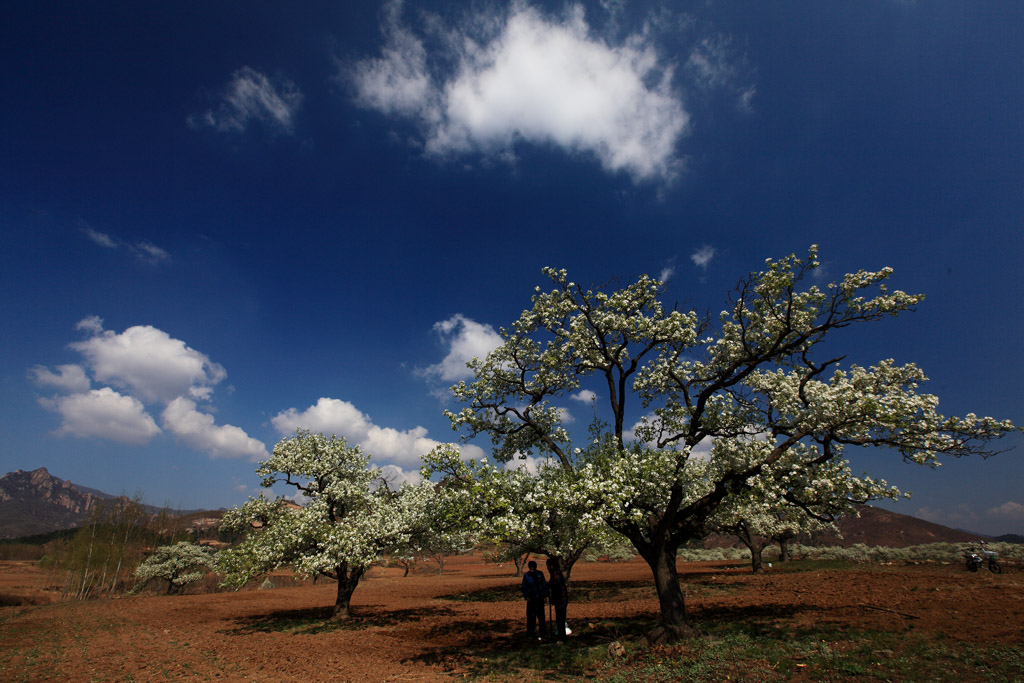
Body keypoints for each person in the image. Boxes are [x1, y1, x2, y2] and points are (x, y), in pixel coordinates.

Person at [521, 559, 548, 639]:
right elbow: (524, 587)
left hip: (539, 598)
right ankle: (530, 633)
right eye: (531, 567)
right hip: (531, 599)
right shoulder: (527, 575)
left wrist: (545, 595)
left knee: (541, 617)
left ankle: (543, 633)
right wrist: (526, 597)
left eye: (533, 567)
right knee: (531, 617)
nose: (532, 569)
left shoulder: (540, 574)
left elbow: (543, 585)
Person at [546, 558, 569, 642]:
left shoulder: (556, 573)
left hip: (561, 599)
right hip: (560, 599)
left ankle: (562, 638)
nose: (547, 568)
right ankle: (561, 637)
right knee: (560, 619)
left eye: (547, 566)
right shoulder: (555, 573)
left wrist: (547, 585)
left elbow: (555, 583)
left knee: (560, 619)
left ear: (551, 565)